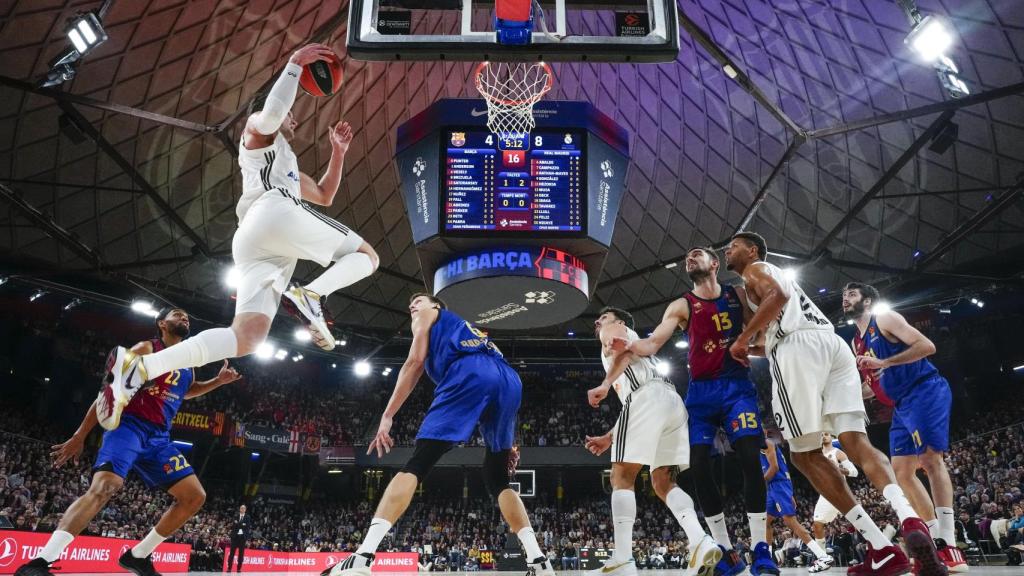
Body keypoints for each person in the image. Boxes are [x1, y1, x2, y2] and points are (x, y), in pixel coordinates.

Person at [96, 43, 378, 430]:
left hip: (258, 242)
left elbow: (326, 195)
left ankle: (140, 368)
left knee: (247, 338)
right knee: (366, 256)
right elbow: (274, 112)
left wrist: (339, 152)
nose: (292, 119)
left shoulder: (290, 165)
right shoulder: (257, 136)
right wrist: (295, 64)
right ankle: (312, 294)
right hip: (271, 213)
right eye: (289, 113)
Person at [723, 231, 944, 576]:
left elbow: (777, 300)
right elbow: (772, 330)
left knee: (803, 454)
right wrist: (745, 349)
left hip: (797, 352)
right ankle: (908, 518)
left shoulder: (756, 269)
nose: (728, 250)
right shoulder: (775, 282)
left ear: (752, 250)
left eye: (734, 245)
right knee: (856, 441)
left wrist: (740, 339)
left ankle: (881, 544)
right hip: (832, 345)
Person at [322, 293, 553, 576]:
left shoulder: (428, 316)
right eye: (410, 305)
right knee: (497, 477)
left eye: (418, 301)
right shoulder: (467, 329)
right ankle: (539, 561)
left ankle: (362, 556)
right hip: (509, 378)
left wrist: (387, 415)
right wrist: (507, 444)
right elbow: (490, 381)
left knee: (418, 462)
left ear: (436, 306)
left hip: (470, 373)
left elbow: (414, 363)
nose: (412, 306)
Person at [14, 308, 241, 576]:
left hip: (159, 438)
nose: (185, 318)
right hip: (129, 427)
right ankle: (40, 562)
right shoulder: (145, 349)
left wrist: (217, 381)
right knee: (106, 485)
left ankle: (138, 556)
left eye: (187, 317)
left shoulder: (189, 362)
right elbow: (109, 392)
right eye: (177, 315)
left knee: (194, 497)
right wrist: (80, 435)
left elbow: (187, 391)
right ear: (162, 324)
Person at [611, 247, 778, 576]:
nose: (690, 258)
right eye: (686, 257)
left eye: (697, 255)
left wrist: (751, 345)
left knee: (748, 456)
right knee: (698, 466)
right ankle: (726, 551)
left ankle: (761, 548)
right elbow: (653, 342)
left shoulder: (738, 294)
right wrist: (630, 346)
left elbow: (761, 327)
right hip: (701, 393)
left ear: (715, 264)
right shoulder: (682, 305)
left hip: (735, 387)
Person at [586, 306, 721, 576]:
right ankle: (700, 540)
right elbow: (639, 399)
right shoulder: (633, 338)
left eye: (604, 318)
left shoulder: (613, 331)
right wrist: (611, 436)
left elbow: (625, 356)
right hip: (670, 402)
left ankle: (622, 560)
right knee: (662, 482)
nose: (599, 322)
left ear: (619, 321)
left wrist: (604, 383)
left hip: (646, 397)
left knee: (621, 476)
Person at [842, 282, 966, 573]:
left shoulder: (885, 318)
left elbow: (927, 346)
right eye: (844, 296)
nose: (846, 299)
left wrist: (884, 360)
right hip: (900, 405)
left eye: (852, 294)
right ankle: (935, 539)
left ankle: (950, 542)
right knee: (901, 473)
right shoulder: (855, 342)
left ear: (868, 301)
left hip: (923, 390)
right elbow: (872, 388)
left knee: (930, 460)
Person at [762, 435, 833, 572]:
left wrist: (759, 482)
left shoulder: (766, 443)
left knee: (791, 522)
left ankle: (823, 556)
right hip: (774, 487)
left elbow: (775, 468)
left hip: (778, 485)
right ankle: (769, 560)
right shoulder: (759, 447)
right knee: (766, 521)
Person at [227, 504, 251, 572]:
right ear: (240, 509)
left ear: (245, 510)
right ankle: (229, 568)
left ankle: (239, 568)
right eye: (241, 508)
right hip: (235, 537)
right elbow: (234, 526)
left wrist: (238, 524)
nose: (242, 509)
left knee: (241, 554)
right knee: (232, 553)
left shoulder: (247, 517)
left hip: (242, 538)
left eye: (244, 508)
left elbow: (247, 527)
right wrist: (242, 524)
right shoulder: (236, 516)